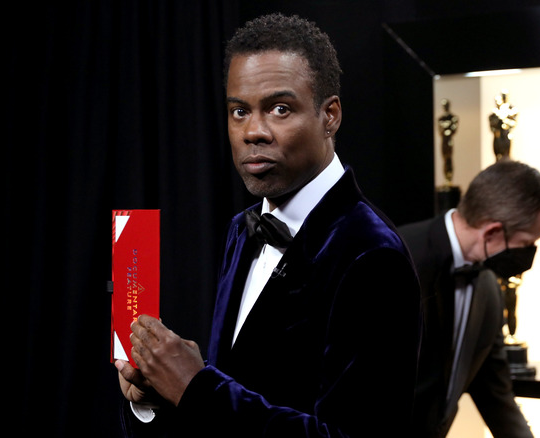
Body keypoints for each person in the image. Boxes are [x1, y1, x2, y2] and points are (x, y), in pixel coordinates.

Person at [114, 13, 421, 437]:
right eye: (239, 111)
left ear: (330, 116)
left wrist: (197, 386)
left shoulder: (371, 253)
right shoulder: (242, 230)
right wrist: (157, 398)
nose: (252, 132)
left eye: (279, 109)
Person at [398, 159, 540, 438]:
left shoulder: (488, 287)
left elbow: (494, 389)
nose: (529, 254)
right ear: (492, 232)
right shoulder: (395, 257)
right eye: (526, 244)